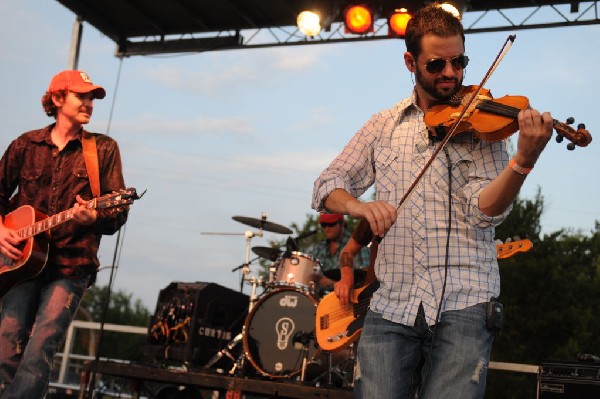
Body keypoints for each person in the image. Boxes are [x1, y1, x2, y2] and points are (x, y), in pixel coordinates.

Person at [312, 4, 552, 398]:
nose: (451, 74)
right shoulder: (383, 125)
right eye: (437, 64)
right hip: (390, 306)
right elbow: (326, 184)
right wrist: (359, 207)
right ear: (411, 61)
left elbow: (484, 212)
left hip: (467, 303)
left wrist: (522, 162)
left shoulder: (483, 126)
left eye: (459, 62)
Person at [0, 70, 128, 398]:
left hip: (72, 266)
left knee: (40, 346)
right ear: (58, 99)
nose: (89, 104)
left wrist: (92, 217)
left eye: (92, 98)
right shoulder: (25, 145)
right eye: (81, 96)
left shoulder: (102, 149)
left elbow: (117, 212)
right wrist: (1, 230)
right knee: (6, 344)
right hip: (20, 263)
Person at [309, 213, 370, 292]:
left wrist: (334, 284)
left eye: (331, 224)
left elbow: (365, 280)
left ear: (342, 223)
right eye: (323, 225)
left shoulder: (358, 246)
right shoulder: (317, 249)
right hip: (318, 299)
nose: (327, 228)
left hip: (346, 300)